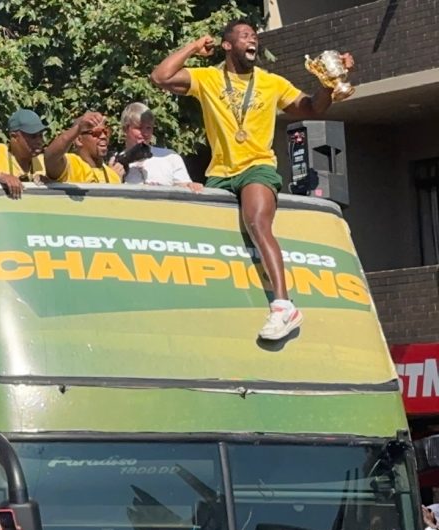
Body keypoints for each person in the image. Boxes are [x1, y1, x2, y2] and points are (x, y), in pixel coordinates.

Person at [150, 20, 354, 340]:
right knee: (203, 234)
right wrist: (192, 47)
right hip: (219, 174)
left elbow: (313, 109)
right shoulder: (209, 79)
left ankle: (284, 306)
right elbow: (160, 77)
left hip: (257, 167)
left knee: (257, 223)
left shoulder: (271, 82)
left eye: (255, 37)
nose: (253, 41)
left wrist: (329, 82)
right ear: (227, 45)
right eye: (245, 36)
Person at [116, 102, 202, 192]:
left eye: (148, 128)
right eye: (139, 128)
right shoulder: (117, 162)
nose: (145, 133)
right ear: (125, 129)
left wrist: (192, 186)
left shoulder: (170, 157)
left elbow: (185, 188)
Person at [43, 111, 121, 184]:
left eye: (106, 132)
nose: (103, 136)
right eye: (96, 132)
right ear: (78, 140)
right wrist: (78, 128)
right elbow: (50, 156)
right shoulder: (72, 165)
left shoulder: (113, 176)